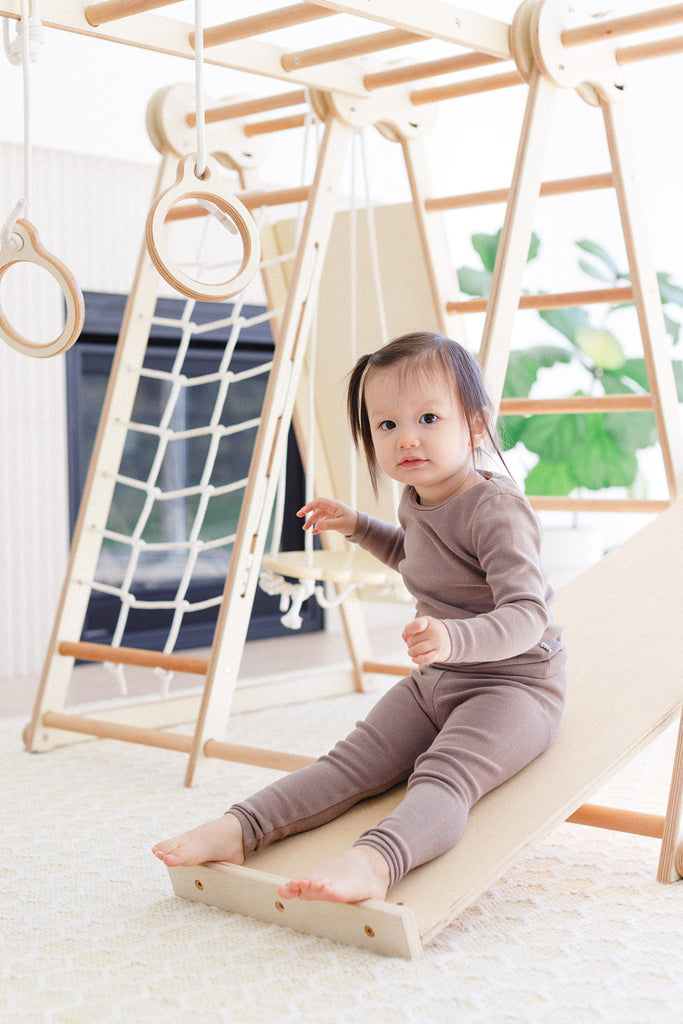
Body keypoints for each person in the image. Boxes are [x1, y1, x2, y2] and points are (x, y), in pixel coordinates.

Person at [153, 331, 567, 904]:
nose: (406, 439)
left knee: (441, 777)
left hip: (514, 685)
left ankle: (376, 863)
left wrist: (452, 637)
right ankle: (240, 828)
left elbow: (527, 613)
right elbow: (417, 560)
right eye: (386, 425)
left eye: (427, 417)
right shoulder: (418, 495)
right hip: (438, 680)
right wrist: (357, 525)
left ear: (476, 425)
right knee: (348, 763)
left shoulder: (496, 510)